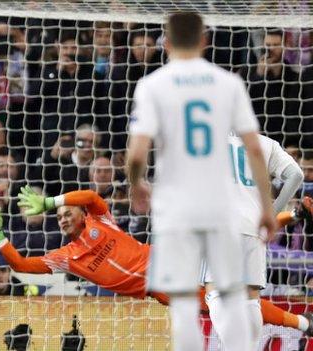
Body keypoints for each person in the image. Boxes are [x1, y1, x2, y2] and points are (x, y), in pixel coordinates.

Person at [0, 188, 313, 337]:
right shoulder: (66, 258)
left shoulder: (100, 221)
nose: (62, 218)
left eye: (66, 212)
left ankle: (295, 214)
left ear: (79, 213)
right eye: (58, 217)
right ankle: (303, 325)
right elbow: (20, 265)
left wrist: (49, 201)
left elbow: (90, 197)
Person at [126, 12, 276, 351]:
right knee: (232, 294)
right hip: (221, 204)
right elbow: (254, 148)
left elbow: (137, 154)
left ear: (165, 42)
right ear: (204, 41)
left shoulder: (152, 85)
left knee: (183, 303)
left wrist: (137, 185)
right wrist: (266, 208)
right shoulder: (228, 83)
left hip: (176, 207)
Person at [202, 134, 304, 342]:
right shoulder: (265, 143)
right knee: (250, 300)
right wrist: (273, 212)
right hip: (253, 228)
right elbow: (296, 175)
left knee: (215, 293)